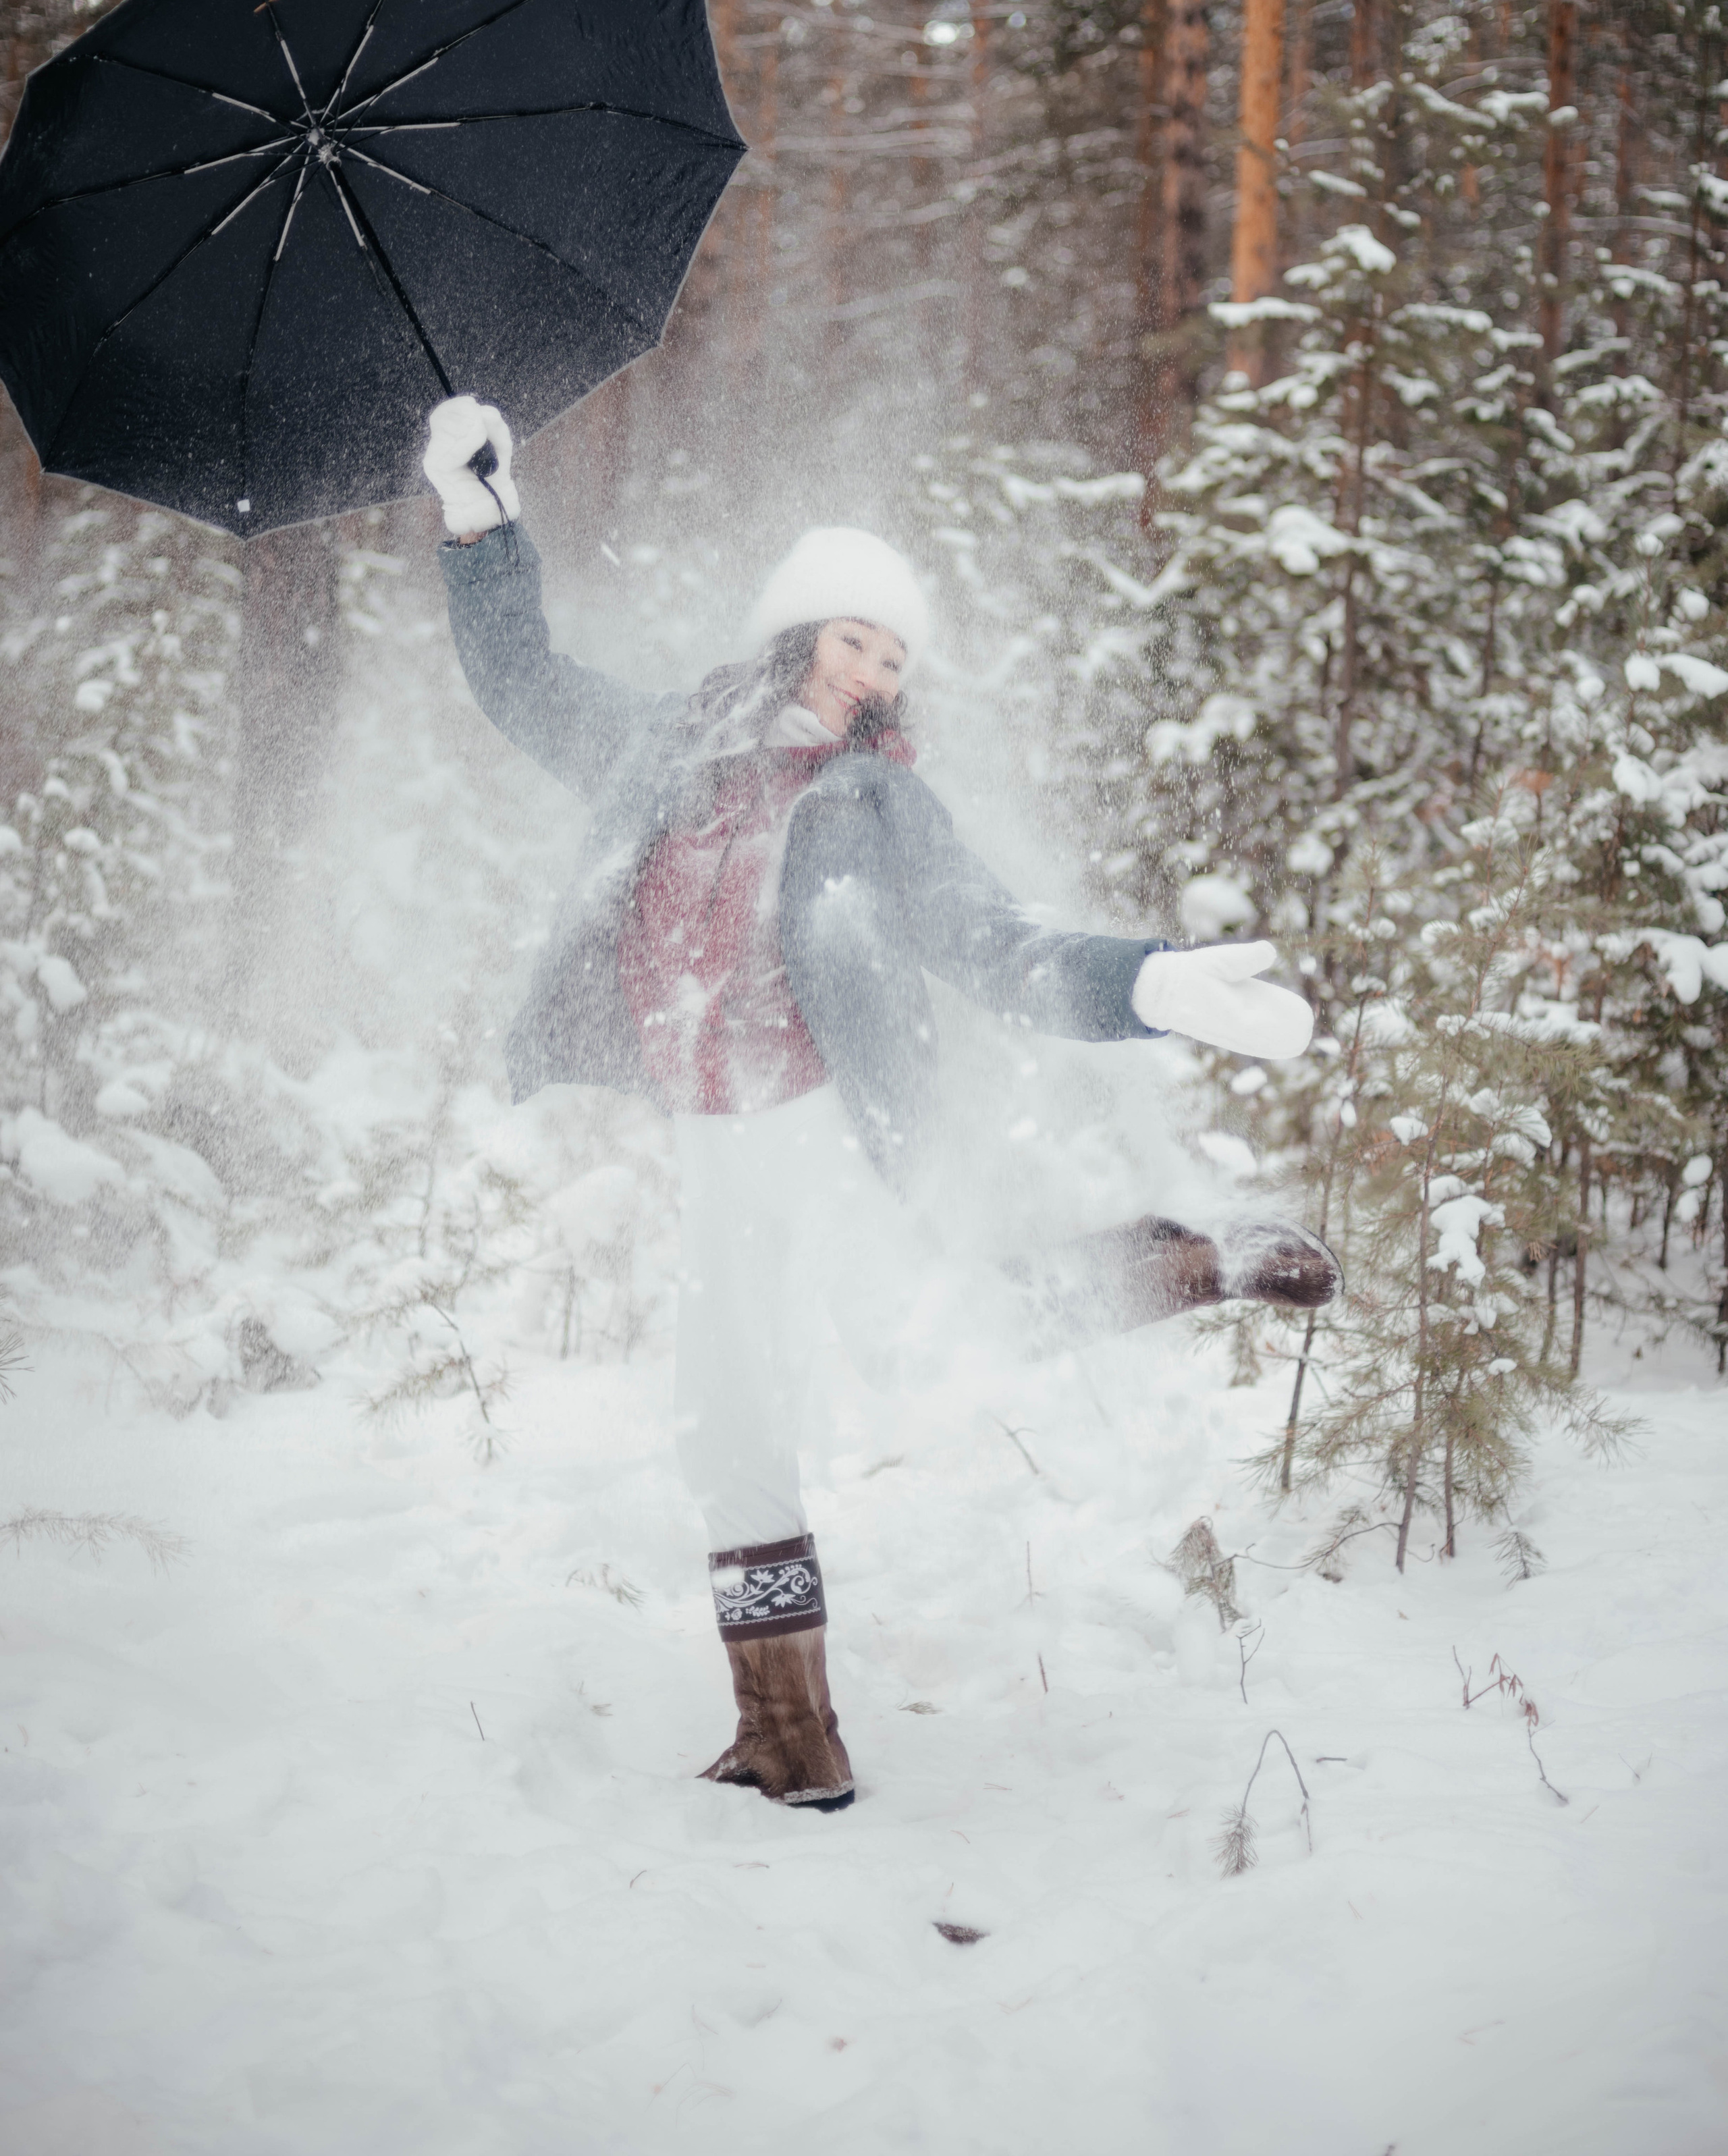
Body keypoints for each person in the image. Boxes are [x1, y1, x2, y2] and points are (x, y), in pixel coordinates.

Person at [423, 395, 1340, 1814]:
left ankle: (1185, 1259)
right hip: (712, 1137)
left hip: (821, 1124)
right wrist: (483, 527)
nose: (870, 671)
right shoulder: (665, 748)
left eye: (893, 657)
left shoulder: (873, 804)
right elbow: (522, 683)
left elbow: (995, 944)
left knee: (921, 1341)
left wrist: (1152, 983)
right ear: (794, 633)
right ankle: (788, 1738)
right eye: (855, 638)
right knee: (732, 1420)